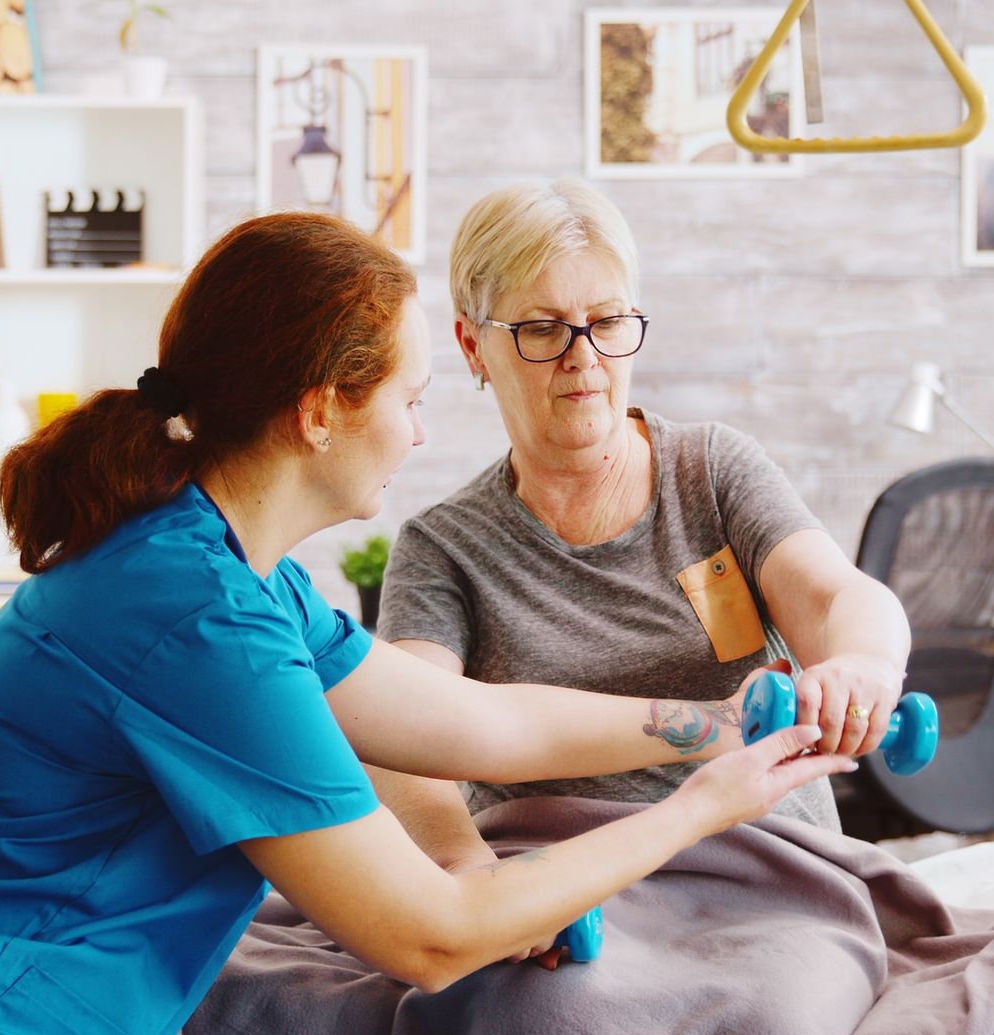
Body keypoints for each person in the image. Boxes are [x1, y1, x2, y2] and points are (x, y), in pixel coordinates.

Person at [0, 211, 854, 1035]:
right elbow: (431, 937)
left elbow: (482, 721)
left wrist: (714, 727)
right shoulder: (193, 617)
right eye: (410, 398)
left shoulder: (236, 574)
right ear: (321, 411)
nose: (421, 433)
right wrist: (703, 804)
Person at [372, 178, 913, 884]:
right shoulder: (444, 549)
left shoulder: (714, 472)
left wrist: (866, 665)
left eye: (608, 321)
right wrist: (465, 865)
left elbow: (833, 595)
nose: (583, 356)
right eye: (542, 328)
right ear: (473, 346)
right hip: (561, 880)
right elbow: (410, 740)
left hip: (760, 864)